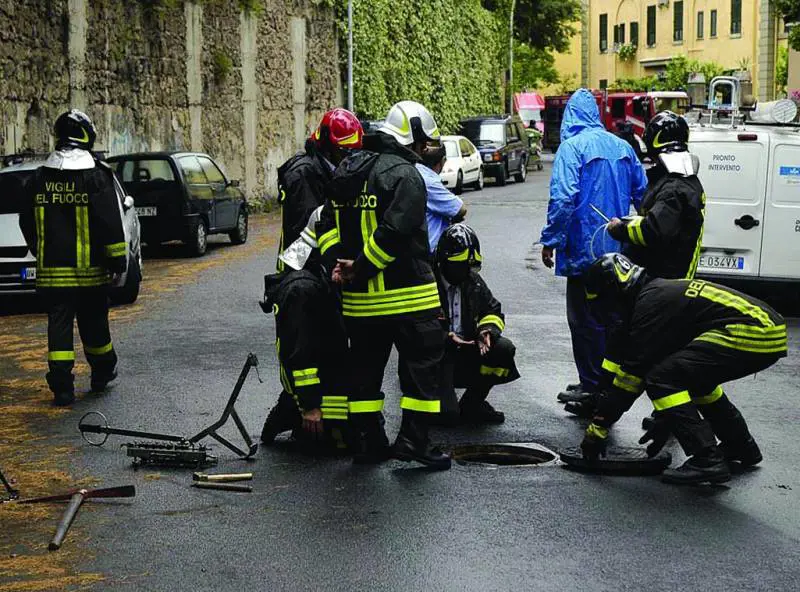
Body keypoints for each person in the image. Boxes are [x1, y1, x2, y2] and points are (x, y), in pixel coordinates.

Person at [317, 100, 450, 470]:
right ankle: (415, 442)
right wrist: (360, 268)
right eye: (427, 143)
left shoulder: (348, 170)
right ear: (416, 138)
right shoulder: (406, 175)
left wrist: (338, 266)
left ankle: (368, 442)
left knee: (363, 377)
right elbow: (395, 232)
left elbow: (324, 226)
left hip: (360, 307)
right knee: (421, 371)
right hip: (408, 299)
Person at [577, 253, 787, 485]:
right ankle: (740, 446)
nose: (610, 312)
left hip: (754, 331)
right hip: (768, 329)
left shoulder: (649, 306)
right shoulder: (654, 293)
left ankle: (707, 459)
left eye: (607, 303)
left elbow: (631, 379)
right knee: (696, 382)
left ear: (615, 290)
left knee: (661, 379)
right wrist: (667, 419)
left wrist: (598, 429)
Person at [539, 89, 648, 405]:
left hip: (584, 253)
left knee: (583, 321)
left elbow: (563, 199)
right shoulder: (623, 147)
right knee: (611, 321)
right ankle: (605, 384)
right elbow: (643, 195)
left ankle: (591, 386)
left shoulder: (571, 149)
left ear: (571, 115)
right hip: (619, 252)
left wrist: (550, 241)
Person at [18, 109, 126, 406]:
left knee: (59, 329)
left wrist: (40, 250)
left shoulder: (39, 178)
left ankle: (62, 387)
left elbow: (26, 221)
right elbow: (109, 223)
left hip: (53, 274)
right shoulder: (96, 176)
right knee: (95, 327)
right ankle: (102, 373)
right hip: (90, 274)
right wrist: (118, 261)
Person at [259, 207, 351, 454]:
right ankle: (300, 417)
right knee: (344, 445)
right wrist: (310, 406)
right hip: (314, 393)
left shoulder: (313, 272)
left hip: (314, 386)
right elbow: (300, 353)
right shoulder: (302, 289)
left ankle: (296, 413)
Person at [434, 223, 519, 424]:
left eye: (468, 266)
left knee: (503, 349)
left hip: (468, 350)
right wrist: (445, 337)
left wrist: (486, 331)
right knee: (447, 417)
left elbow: (493, 311)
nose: (465, 272)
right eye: (459, 266)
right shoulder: (427, 282)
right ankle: (437, 402)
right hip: (437, 356)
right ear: (444, 262)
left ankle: (473, 403)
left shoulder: (473, 281)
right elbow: (414, 326)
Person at [607, 111, 705, 280]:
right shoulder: (684, 182)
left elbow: (652, 230)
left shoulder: (673, 187)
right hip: (669, 279)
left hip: (664, 282)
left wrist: (620, 228)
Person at [276, 108, 363, 272]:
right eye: (346, 151)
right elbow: (309, 229)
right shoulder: (304, 174)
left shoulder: (325, 169)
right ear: (329, 147)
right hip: (301, 269)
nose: (350, 158)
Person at [416, 144, 467, 254]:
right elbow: (460, 209)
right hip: (429, 250)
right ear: (443, 161)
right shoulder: (430, 182)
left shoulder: (415, 172)